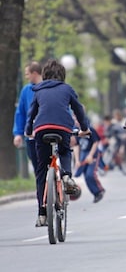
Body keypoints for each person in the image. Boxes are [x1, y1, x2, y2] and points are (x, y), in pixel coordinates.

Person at [25, 59, 90, 227]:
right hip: (62, 127)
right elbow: (78, 110)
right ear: (62, 75)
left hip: (41, 130)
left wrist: (27, 131)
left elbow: (31, 114)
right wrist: (84, 128)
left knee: (41, 170)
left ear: (44, 75)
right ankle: (67, 175)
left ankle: (42, 214)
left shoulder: (37, 90)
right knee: (64, 151)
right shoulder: (67, 89)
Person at [13, 61, 43, 175]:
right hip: (32, 134)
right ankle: (43, 189)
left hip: (46, 130)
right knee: (37, 167)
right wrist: (18, 133)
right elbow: (20, 113)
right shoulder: (26, 91)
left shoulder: (49, 87)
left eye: (27, 74)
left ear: (34, 73)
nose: (26, 77)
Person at [73, 122, 106, 203]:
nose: (76, 121)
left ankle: (100, 190)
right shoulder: (76, 131)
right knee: (86, 176)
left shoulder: (89, 129)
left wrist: (91, 155)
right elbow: (76, 145)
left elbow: (96, 142)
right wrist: (77, 160)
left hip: (93, 154)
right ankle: (95, 193)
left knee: (90, 174)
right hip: (83, 155)